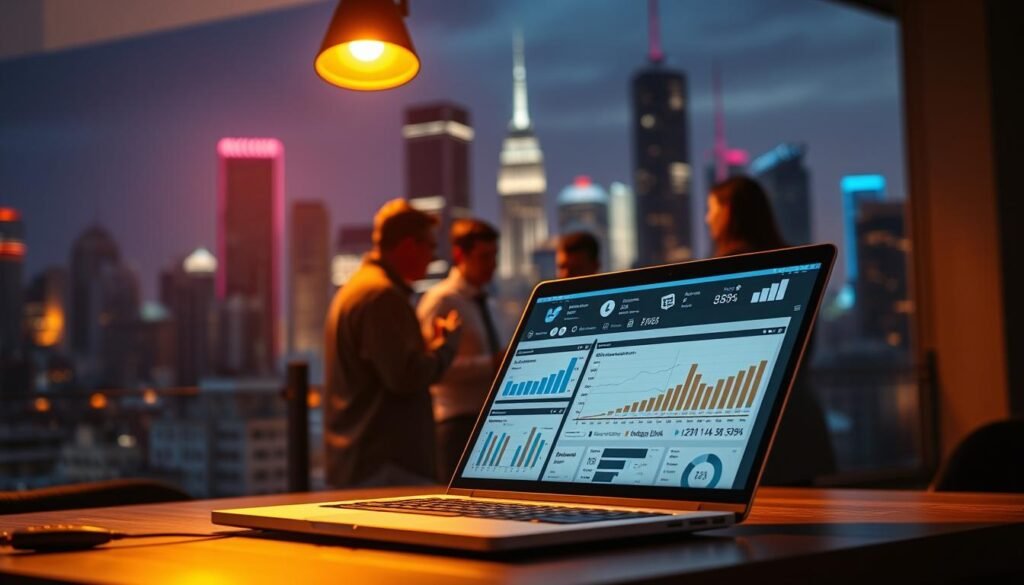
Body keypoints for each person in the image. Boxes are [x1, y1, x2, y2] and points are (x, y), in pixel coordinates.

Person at [706, 176, 836, 485]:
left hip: (749, 426)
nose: (707, 218)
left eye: (711, 209)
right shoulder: (793, 265)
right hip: (800, 420)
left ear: (728, 212)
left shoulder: (729, 268)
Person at [324, 199, 462, 487]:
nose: (434, 256)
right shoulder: (383, 297)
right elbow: (405, 376)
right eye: (430, 246)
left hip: (360, 459)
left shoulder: (358, 288)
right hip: (387, 464)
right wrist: (445, 347)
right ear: (409, 245)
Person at [417, 219, 503, 480]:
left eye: (494, 256)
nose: (492, 264)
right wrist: (491, 364)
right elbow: (429, 368)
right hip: (456, 423)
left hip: (486, 421)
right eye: (484, 256)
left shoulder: (485, 301)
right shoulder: (441, 300)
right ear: (459, 255)